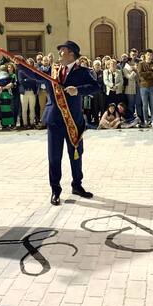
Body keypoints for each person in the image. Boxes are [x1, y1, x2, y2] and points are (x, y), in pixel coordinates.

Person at [18, 41, 100, 206]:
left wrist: (78, 90)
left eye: (62, 50)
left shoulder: (82, 72)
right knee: (54, 157)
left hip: (73, 120)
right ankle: (55, 190)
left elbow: (96, 87)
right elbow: (35, 75)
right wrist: (21, 64)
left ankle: (77, 185)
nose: (59, 53)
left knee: (75, 154)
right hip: (54, 119)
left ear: (71, 54)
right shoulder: (52, 70)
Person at [137, 49, 153, 127]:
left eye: (151, 55)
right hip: (143, 87)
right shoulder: (140, 64)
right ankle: (146, 120)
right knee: (145, 105)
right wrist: (150, 72)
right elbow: (140, 75)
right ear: (145, 55)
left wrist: (147, 74)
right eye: (148, 55)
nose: (149, 56)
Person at [19, 61, 38, 129]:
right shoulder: (21, 71)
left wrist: (26, 80)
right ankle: (25, 124)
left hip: (32, 92)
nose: (29, 65)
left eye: (31, 63)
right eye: (28, 63)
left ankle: (32, 123)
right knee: (24, 109)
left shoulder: (33, 71)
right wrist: (29, 79)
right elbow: (21, 81)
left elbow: (35, 80)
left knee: (32, 108)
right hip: (24, 92)